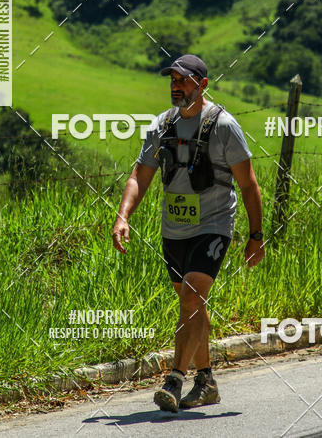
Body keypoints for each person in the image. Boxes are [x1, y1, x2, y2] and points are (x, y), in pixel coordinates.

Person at [112, 53, 265, 413]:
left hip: (214, 225)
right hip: (174, 230)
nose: (176, 86)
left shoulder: (224, 126)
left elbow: (248, 185)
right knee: (192, 304)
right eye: (173, 81)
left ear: (203, 84)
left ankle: (175, 378)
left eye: (183, 80)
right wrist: (123, 217)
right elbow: (139, 176)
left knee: (193, 297)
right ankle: (207, 380)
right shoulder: (161, 126)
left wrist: (256, 235)